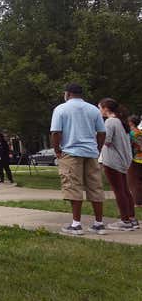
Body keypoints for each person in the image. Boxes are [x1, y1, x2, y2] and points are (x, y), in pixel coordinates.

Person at [50, 83, 106, 236]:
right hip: (90, 152)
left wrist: (57, 150)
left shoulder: (61, 109)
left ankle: (76, 224)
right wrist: (98, 148)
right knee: (95, 186)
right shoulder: (93, 109)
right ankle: (99, 223)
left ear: (67, 93)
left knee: (73, 187)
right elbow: (102, 132)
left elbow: (55, 132)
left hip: (70, 151)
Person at [98, 99, 138, 230]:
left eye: (100, 108)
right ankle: (131, 218)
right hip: (123, 160)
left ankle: (124, 221)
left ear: (105, 108)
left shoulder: (110, 122)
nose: (99, 111)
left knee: (119, 191)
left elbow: (107, 141)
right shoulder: (122, 121)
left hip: (112, 160)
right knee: (125, 190)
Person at [128, 115, 142, 208]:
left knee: (134, 181)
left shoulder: (131, 133)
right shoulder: (140, 132)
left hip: (135, 159)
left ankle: (137, 202)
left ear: (131, 123)